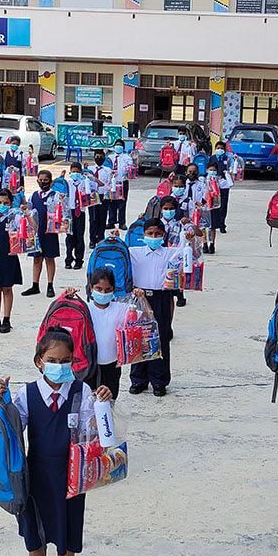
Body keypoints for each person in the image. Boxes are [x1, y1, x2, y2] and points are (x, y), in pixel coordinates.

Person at [0, 330, 114, 556]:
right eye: (52, 360)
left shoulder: (82, 392)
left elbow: (97, 433)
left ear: (73, 361)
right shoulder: (27, 395)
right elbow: (10, 428)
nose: (59, 366)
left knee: (66, 537)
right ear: (39, 362)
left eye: (65, 361)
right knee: (35, 537)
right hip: (36, 479)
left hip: (71, 480)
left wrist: (104, 405)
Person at [127, 218, 187, 397]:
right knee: (139, 337)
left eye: (157, 234)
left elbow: (186, 249)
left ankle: (159, 381)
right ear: (144, 235)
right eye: (150, 233)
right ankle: (138, 379)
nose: (153, 237)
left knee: (160, 338)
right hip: (139, 297)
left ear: (163, 235)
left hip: (161, 298)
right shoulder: (134, 252)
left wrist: (188, 235)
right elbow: (119, 254)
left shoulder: (170, 253)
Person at [64, 269, 143, 398]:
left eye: (107, 290)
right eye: (98, 288)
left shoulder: (121, 309)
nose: (103, 293)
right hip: (88, 366)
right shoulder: (84, 309)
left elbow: (144, 320)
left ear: (113, 290)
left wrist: (141, 299)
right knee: (87, 402)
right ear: (91, 288)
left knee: (109, 401)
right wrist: (67, 297)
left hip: (111, 366)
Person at [0, 190, 21, 334]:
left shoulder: (14, 217)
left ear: (11, 203)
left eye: (6, 203)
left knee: (7, 288)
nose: (2, 205)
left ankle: (6, 319)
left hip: (8, 257)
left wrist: (26, 215)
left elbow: (31, 230)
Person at [23, 169, 62, 298]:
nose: (43, 182)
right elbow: (28, 210)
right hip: (36, 232)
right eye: (40, 180)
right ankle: (35, 285)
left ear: (50, 182)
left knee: (49, 258)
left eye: (45, 180)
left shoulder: (55, 195)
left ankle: (50, 285)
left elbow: (62, 210)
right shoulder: (34, 195)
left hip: (49, 232)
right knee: (36, 259)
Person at [64, 162, 87, 270]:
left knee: (79, 237)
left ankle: (79, 260)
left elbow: (97, 186)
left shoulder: (84, 182)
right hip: (69, 213)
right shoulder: (67, 183)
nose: (75, 173)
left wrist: (88, 177)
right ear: (70, 172)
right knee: (69, 237)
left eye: (77, 172)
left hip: (80, 212)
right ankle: (68, 259)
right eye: (73, 172)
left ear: (81, 173)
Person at [88, 149, 111, 248]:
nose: (98, 158)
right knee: (93, 218)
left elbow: (109, 184)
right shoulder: (89, 169)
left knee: (102, 217)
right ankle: (92, 239)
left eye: (101, 157)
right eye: (97, 156)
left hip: (103, 196)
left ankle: (100, 237)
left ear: (104, 158)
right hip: (92, 196)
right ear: (94, 157)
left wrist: (108, 194)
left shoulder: (107, 170)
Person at [107, 138, 131, 229]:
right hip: (112, 182)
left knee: (122, 202)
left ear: (123, 147)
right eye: (117, 145)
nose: (118, 146)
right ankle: (111, 221)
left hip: (122, 182)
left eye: (120, 145)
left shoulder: (127, 158)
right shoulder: (110, 158)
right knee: (111, 202)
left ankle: (122, 223)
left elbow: (131, 169)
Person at [211, 141, 235, 233]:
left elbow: (232, 169)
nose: (219, 150)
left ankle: (222, 224)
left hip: (224, 184)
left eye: (221, 148)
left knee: (223, 204)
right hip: (213, 183)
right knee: (214, 204)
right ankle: (214, 223)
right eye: (218, 148)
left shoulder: (228, 159)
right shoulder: (212, 158)